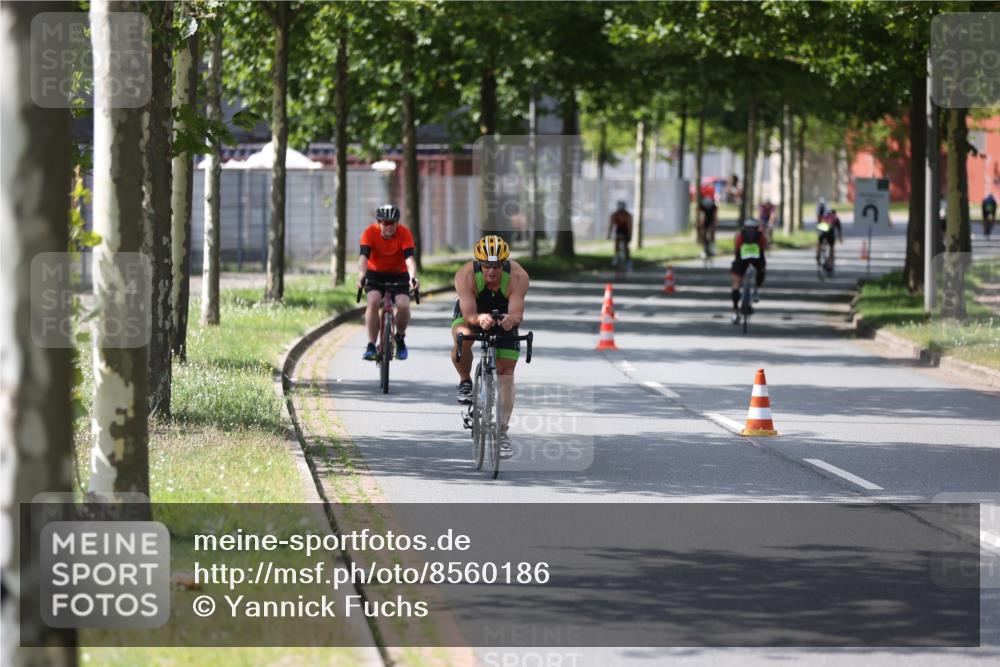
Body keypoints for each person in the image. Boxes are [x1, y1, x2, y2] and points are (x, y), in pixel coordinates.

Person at [451, 235, 530, 459]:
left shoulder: (518, 276)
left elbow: (517, 313)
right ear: (479, 264)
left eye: (496, 266)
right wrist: (479, 319)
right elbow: (468, 313)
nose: (492, 272)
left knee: (506, 373)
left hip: (503, 310)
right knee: (463, 337)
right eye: (487, 266)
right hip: (474, 309)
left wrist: (510, 320)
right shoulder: (465, 276)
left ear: (504, 264)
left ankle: (502, 432)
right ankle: (465, 381)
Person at [356, 204, 419, 361]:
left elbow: (409, 258)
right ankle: (371, 344)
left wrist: (412, 277)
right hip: (375, 273)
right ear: (379, 223)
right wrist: (361, 275)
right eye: (385, 223)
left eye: (392, 223)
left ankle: (399, 337)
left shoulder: (404, 233)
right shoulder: (369, 233)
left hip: (399, 274)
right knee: (373, 300)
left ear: (397, 223)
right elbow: (363, 257)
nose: (389, 227)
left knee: (404, 304)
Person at [730, 218, 767, 324]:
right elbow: (764, 247)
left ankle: (735, 310)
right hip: (757, 259)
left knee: (736, 282)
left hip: (741, 259)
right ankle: (756, 290)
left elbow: (736, 248)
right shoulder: (760, 236)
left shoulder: (740, 235)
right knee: (762, 270)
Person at [607, 201, 633, 266]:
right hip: (619, 230)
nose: (621, 213)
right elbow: (611, 225)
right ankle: (616, 255)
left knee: (626, 245)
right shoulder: (614, 215)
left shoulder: (628, 215)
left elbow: (629, 226)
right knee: (617, 241)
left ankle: (627, 259)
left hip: (625, 231)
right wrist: (609, 234)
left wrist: (630, 235)